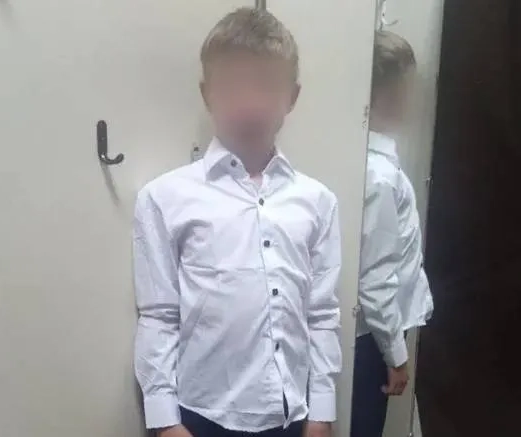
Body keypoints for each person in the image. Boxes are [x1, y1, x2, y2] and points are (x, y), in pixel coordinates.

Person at [133, 7, 342, 437]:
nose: (249, 104)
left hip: (293, 417)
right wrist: (164, 421)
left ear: (292, 97)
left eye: (265, 85)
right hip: (201, 417)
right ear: (207, 94)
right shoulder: (165, 198)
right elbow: (159, 315)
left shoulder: (318, 202)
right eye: (232, 87)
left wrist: (322, 412)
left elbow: (321, 313)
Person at [350, 31, 434, 437]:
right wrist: (396, 356)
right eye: (406, 87)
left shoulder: (372, 162)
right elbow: (375, 278)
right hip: (371, 339)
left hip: (372, 335)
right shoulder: (380, 175)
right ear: (389, 93)